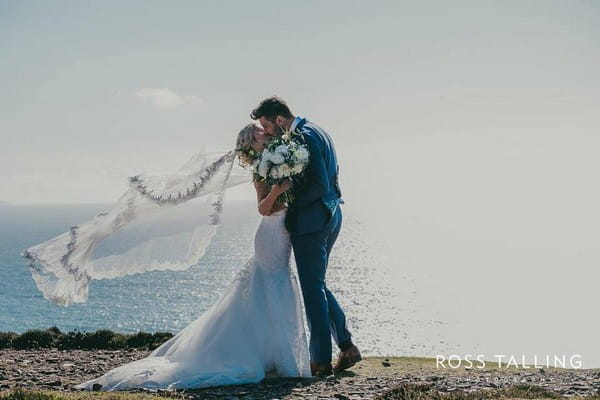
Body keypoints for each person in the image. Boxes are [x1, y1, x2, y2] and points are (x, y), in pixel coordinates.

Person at [74, 123, 312, 390]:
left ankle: (277, 358)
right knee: (271, 285)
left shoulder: (277, 157)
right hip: (270, 234)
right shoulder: (261, 170)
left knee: (274, 289)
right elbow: (263, 208)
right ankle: (275, 360)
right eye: (259, 133)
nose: (264, 133)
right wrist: (278, 192)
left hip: (281, 235)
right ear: (250, 142)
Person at [250, 96, 361, 376]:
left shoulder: (303, 136)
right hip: (330, 214)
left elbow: (319, 185)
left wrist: (288, 203)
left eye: (267, 124)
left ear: (278, 119)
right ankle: (347, 347)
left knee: (312, 291)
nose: (268, 132)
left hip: (312, 222)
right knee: (318, 285)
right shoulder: (317, 130)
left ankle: (320, 361)